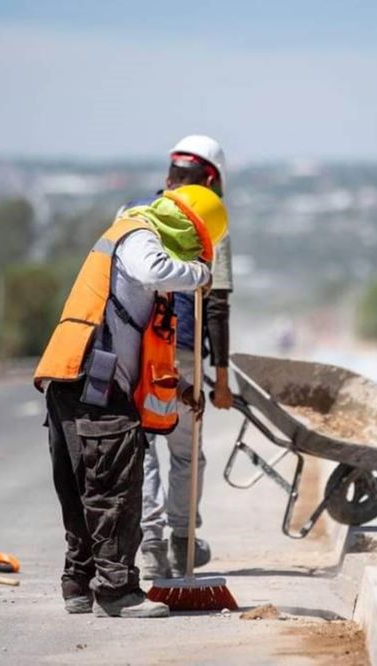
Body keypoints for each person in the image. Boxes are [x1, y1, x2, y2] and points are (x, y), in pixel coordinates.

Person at [34, 185, 227, 619]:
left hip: (74, 379)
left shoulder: (130, 240)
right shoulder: (139, 237)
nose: (195, 251)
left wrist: (176, 389)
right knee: (114, 490)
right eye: (197, 242)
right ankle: (118, 592)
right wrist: (200, 274)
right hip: (95, 385)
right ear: (186, 227)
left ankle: (79, 584)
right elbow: (157, 269)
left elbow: (140, 343)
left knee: (83, 491)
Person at [115, 135, 234, 580]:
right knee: (187, 452)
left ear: (170, 176)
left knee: (143, 447)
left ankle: (149, 545)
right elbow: (217, 305)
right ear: (210, 181)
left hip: (136, 348)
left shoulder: (134, 211)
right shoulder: (211, 225)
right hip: (180, 350)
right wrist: (220, 378)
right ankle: (180, 540)